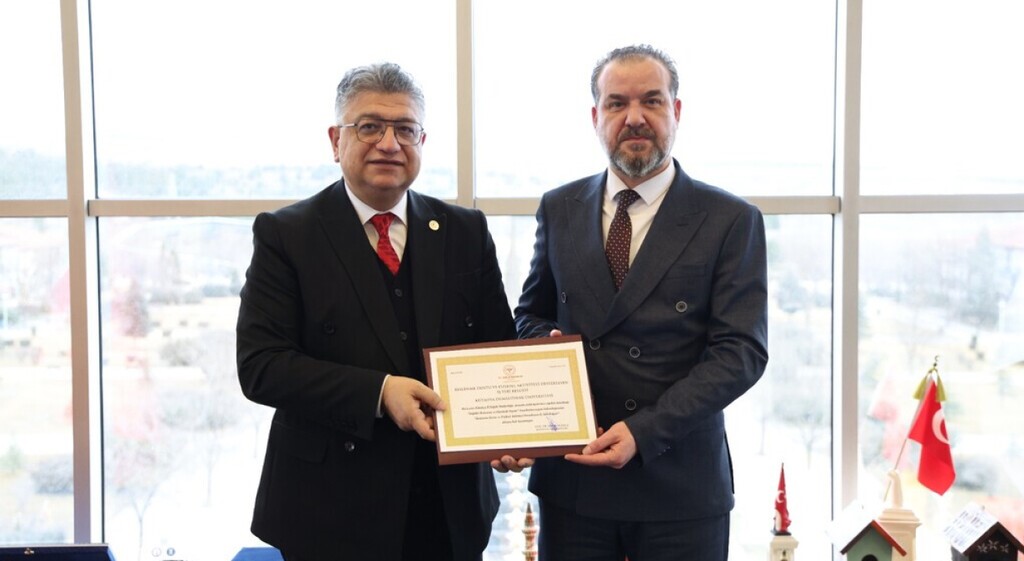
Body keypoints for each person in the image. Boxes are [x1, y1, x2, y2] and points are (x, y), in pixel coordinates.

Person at [236, 62, 516, 561]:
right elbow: (261, 366)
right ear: (335, 140)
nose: (389, 144)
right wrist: (380, 392)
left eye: (405, 129)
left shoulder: (465, 231)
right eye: (369, 127)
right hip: (329, 509)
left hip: (447, 508)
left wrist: (515, 425)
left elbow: (497, 349)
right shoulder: (287, 235)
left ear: (422, 141)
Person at [514, 44, 769, 561]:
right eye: (617, 103)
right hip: (575, 481)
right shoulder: (559, 207)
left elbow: (741, 352)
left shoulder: (730, 219)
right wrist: (547, 344)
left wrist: (644, 431)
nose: (634, 117)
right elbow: (530, 315)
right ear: (596, 117)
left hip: (679, 484)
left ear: (677, 111)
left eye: (651, 101)